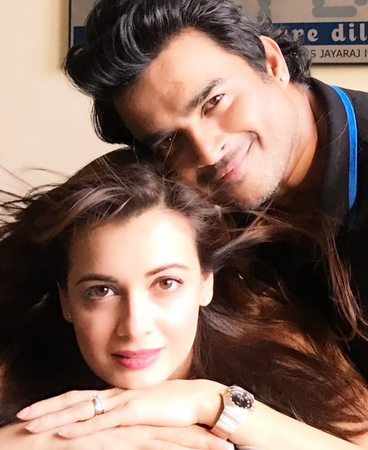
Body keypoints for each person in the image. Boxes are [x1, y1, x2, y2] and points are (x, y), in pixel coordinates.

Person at [0, 149, 367, 450]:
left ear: (205, 284)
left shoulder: (282, 361)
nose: (134, 326)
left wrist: (213, 403)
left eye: (166, 283)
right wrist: (52, 438)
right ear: (66, 301)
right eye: (101, 291)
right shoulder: (9, 381)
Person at [64, 0, 368, 379]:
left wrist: (221, 404)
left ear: (272, 64)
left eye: (215, 102)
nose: (208, 151)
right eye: (170, 140)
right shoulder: (174, 205)